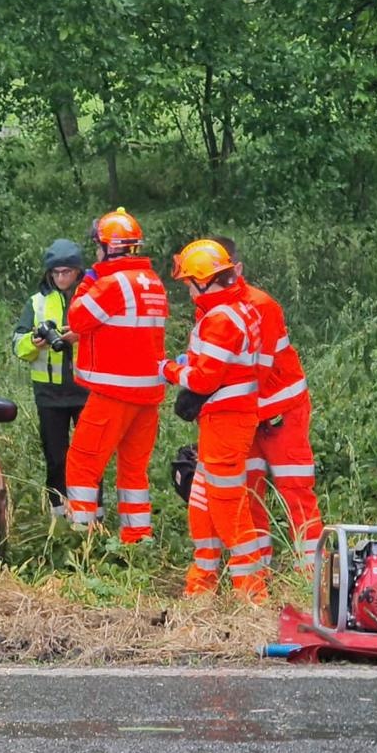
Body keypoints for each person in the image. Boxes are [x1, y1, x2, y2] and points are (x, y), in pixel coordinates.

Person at [164, 239, 268, 603]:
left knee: (226, 506)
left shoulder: (222, 318)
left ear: (206, 281)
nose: (189, 289)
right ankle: (200, 591)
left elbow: (205, 379)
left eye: (191, 282)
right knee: (202, 503)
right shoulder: (233, 309)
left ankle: (252, 598)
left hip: (227, 422)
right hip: (222, 421)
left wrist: (171, 370)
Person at [213, 236, 322, 571]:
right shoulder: (212, 308)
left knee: (295, 490)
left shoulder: (261, 305)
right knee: (248, 492)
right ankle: (257, 576)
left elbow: (253, 370)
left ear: (238, 268)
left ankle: (314, 576)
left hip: (281, 410)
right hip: (246, 414)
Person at [63, 208, 168, 543]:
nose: (95, 253)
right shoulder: (153, 282)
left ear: (109, 248)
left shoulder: (111, 284)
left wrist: (89, 281)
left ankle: (81, 538)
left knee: (82, 463)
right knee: (133, 471)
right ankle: (138, 539)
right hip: (147, 395)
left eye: (98, 246)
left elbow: (78, 319)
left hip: (114, 391)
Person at [11, 239, 88, 517]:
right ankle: (58, 514)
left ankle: (90, 515)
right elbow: (18, 345)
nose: (60, 278)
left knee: (89, 457)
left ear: (78, 271)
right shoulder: (37, 302)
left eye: (66, 272)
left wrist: (81, 335)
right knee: (56, 457)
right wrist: (35, 342)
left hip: (86, 390)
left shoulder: (92, 298)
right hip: (49, 394)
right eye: (55, 273)